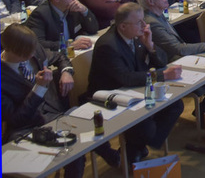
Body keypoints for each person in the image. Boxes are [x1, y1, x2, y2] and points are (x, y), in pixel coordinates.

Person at [1, 24, 121, 175]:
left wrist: (66, 72)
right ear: (12, 50)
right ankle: (112, 157)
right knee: (74, 155)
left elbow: (59, 57)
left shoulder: (33, 50)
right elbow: (17, 119)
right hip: (26, 127)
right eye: (27, 54)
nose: (32, 56)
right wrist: (39, 88)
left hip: (53, 113)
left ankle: (111, 156)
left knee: (89, 127)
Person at [87, 3, 184, 164]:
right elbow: (125, 77)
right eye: (139, 22)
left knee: (175, 106)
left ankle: (135, 147)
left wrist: (150, 45)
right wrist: (163, 76)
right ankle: (134, 149)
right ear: (123, 26)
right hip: (109, 96)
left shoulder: (137, 37)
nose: (144, 26)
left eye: (143, 21)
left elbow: (162, 61)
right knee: (145, 126)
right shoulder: (108, 45)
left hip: (134, 89)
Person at [25, 0, 97, 51]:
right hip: (53, 58)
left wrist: (84, 11)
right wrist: (68, 45)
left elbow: (93, 29)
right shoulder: (40, 14)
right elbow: (38, 44)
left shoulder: (73, 9)